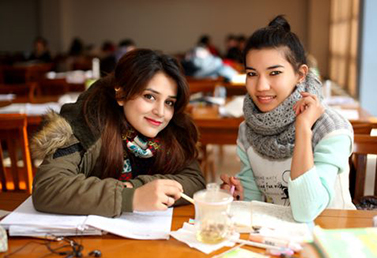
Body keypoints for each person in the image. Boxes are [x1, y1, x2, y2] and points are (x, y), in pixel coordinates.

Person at [31, 49, 206, 217]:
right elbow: (48, 186)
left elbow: (195, 181)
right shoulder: (87, 122)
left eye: (169, 102)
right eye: (149, 97)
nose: (160, 112)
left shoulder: (173, 127)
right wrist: (132, 196)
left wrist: (140, 187)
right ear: (121, 94)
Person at [220, 15, 355, 222]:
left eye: (274, 73)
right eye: (252, 74)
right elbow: (253, 201)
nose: (261, 86)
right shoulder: (248, 129)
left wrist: (303, 129)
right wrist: (239, 195)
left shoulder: (331, 128)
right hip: (279, 237)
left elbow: (306, 211)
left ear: (300, 74)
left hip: (332, 236)